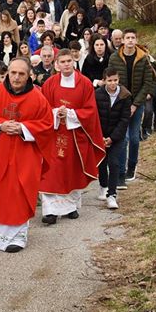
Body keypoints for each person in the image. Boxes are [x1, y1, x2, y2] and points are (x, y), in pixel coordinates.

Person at [0, 58, 55, 252]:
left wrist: (23, 128)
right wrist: (0, 125)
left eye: (21, 74)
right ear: (7, 72)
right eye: (13, 73)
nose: (16, 77)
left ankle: (16, 238)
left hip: (24, 155)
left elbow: (47, 124)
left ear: (30, 75)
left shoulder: (38, 98)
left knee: (18, 192)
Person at [39, 50, 106, 225]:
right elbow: (43, 108)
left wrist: (69, 113)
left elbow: (90, 111)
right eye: (63, 61)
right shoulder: (50, 84)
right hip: (54, 134)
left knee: (72, 171)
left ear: (73, 62)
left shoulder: (84, 83)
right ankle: (51, 211)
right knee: (50, 172)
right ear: (57, 64)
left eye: (69, 61)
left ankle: (71, 207)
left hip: (76, 135)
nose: (66, 64)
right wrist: (55, 113)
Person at [106, 28, 156, 183]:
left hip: (137, 102)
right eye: (127, 37)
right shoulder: (114, 58)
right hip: (121, 103)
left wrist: (135, 104)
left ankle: (131, 168)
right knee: (124, 138)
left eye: (132, 38)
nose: (129, 40)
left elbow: (148, 83)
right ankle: (120, 172)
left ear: (136, 40)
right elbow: (113, 80)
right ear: (122, 40)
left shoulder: (144, 58)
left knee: (134, 138)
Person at [95, 69, 131, 211]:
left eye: (115, 80)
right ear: (104, 80)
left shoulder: (125, 96)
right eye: (109, 80)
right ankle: (103, 186)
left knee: (114, 162)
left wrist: (112, 138)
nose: (113, 83)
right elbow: (95, 117)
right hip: (101, 135)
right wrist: (101, 137)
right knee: (102, 162)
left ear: (118, 80)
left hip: (116, 136)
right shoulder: (97, 95)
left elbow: (124, 119)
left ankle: (112, 194)